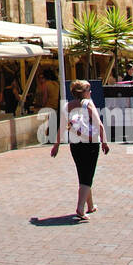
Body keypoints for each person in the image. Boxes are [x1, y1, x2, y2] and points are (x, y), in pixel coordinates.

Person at [51, 79, 109, 220]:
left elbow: (62, 127)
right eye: (89, 90)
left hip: (75, 144)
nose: (90, 92)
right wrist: (105, 142)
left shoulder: (67, 106)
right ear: (83, 92)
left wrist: (56, 145)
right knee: (87, 175)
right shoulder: (88, 104)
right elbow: (99, 124)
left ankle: (90, 205)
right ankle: (80, 208)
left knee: (83, 173)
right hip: (90, 143)